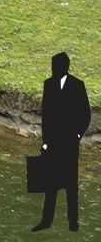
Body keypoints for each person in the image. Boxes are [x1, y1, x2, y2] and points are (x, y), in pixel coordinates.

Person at [40, 51, 90, 231]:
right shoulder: (49, 84)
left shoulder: (77, 85)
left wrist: (77, 135)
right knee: (50, 183)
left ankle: (73, 222)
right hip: (53, 141)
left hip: (69, 141)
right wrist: (45, 140)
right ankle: (46, 221)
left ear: (64, 67)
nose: (53, 69)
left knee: (70, 183)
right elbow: (46, 114)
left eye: (56, 66)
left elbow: (85, 114)